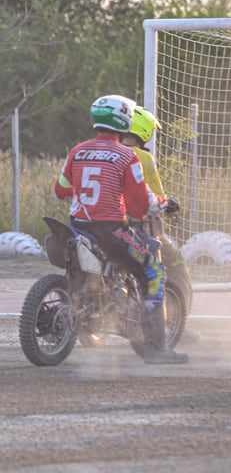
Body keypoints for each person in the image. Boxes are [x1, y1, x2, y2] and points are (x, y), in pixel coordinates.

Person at [54, 95, 188, 364]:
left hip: (78, 228)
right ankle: (155, 349)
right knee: (154, 272)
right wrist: (165, 204)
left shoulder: (77, 151)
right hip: (112, 231)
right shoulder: (127, 156)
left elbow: (61, 191)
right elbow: (141, 205)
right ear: (125, 119)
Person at [120, 105, 197, 342]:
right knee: (174, 263)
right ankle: (174, 325)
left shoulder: (107, 151)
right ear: (144, 132)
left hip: (102, 224)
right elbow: (155, 197)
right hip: (137, 227)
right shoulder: (143, 157)